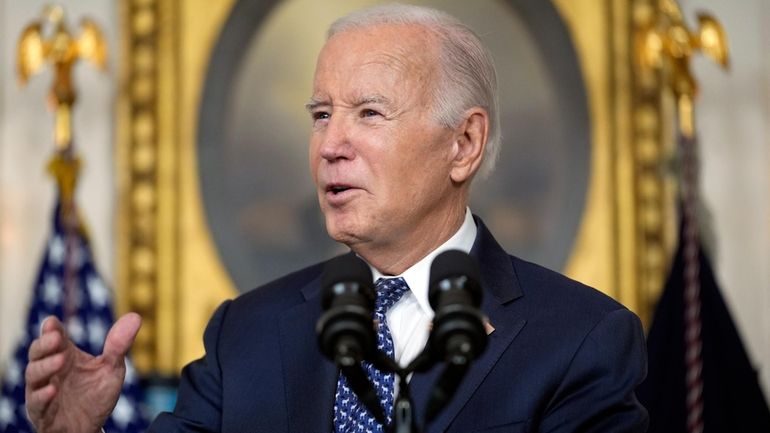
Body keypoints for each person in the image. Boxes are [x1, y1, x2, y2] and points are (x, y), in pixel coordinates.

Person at [25, 4, 648, 432]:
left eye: (369, 114)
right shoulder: (245, 334)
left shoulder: (580, 340)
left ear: (463, 144)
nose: (330, 145)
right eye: (321, 114)